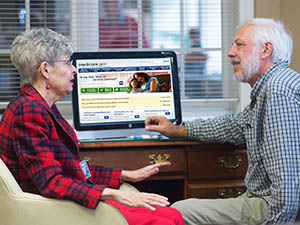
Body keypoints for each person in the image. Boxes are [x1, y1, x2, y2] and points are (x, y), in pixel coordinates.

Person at [0, 28, 184, 225]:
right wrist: (114, 194)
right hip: (53, 209)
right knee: (165, 220)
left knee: (173, 215)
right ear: (45, 70)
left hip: (61, 203)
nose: (74, 70)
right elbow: (51, 182)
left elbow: (71, 168)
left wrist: (124, 175)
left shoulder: (41, 105)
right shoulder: (28, 111)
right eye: (67, 63)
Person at [145, 18, 300, 225]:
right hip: (266, 199)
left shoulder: (277, 92)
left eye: (240, 44)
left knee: (179, 211)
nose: (230, 52)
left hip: (273, 205)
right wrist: (178, 130)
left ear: (265, 50)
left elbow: (287, 182)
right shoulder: (274, 85)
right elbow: (235, 126)